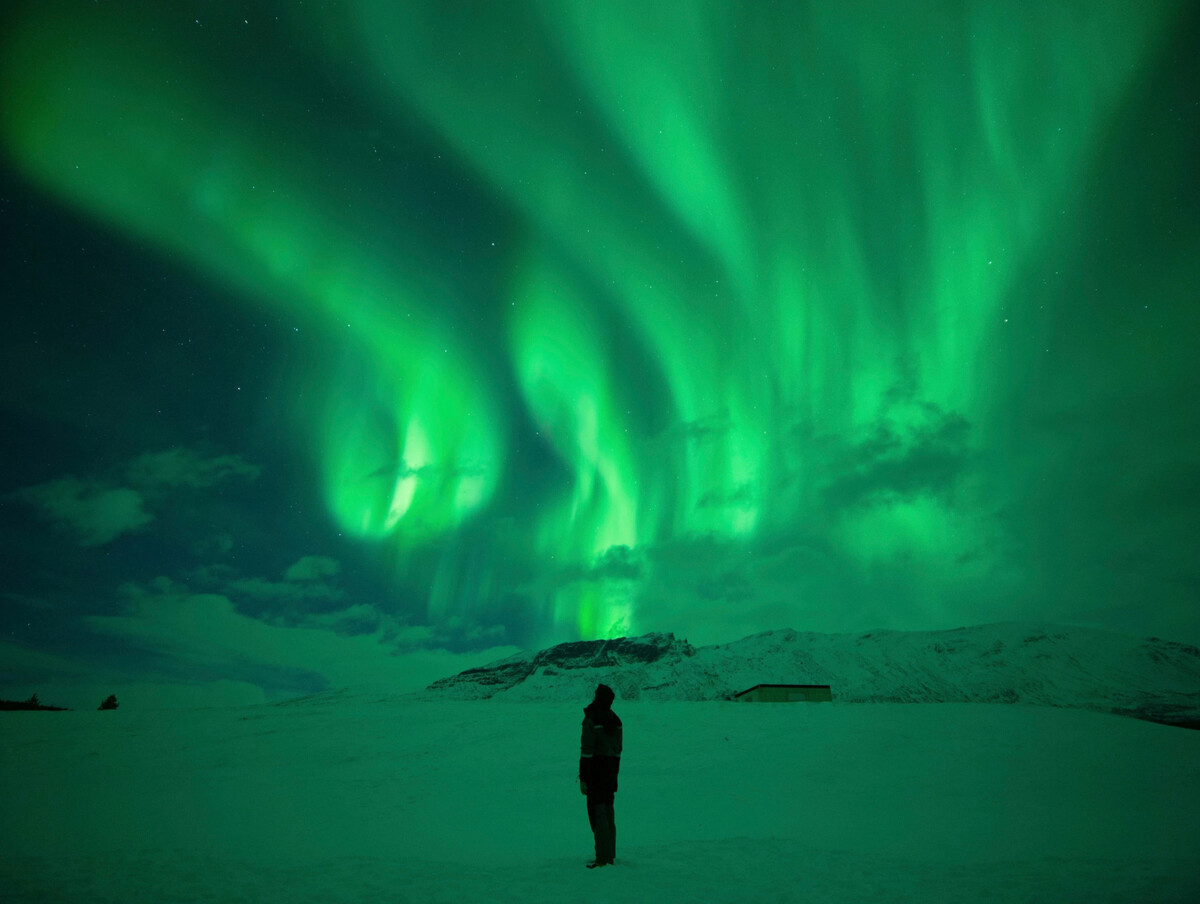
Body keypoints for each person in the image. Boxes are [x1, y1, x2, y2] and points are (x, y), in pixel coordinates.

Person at [578, 683, 622, 868]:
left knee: (597, 813)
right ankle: (608, 855)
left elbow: (587, 752)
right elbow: (618, 751)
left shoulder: (591, 719)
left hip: (595, 771)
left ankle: (602, 859)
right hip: (610, 770)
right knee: (608, 811)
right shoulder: (616, 720)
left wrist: (583, 778)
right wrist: (615, 776)